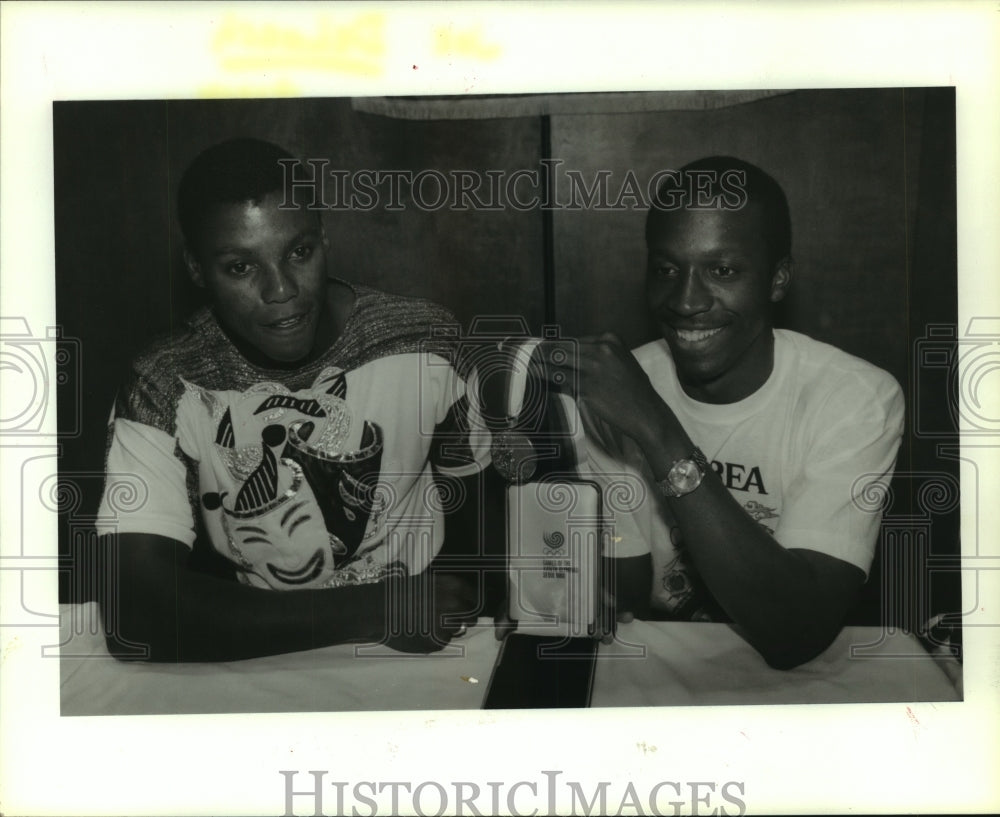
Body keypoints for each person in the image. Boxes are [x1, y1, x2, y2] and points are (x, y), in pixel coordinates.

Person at [96, 138, 490, 662]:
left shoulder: (424, 342)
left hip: (410, 659)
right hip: (250, 660)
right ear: (196, 269)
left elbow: (487, 533)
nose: (281, 289)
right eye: (241, 267)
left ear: (325, 238)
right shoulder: (166, 383)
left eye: (299, 252)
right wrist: (375, 609)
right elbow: (134, 616)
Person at [541, 156, 905, 669]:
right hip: (670, 666)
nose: (686, 301)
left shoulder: (853, 397)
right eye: (667, 269)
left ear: (777, 280)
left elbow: (797, 632)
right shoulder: (613, 391)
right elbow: (622, 605)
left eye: (723, 270)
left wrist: (655, 426)